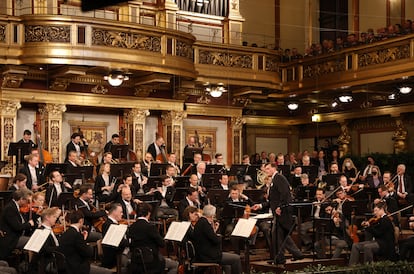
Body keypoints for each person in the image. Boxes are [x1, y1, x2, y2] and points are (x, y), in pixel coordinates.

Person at [264, 163, 303, 265]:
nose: (266, 171)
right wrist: (260, 205)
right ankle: (284, 257)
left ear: (274, 168)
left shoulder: (279, 178)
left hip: (283, 212)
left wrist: (280, 206)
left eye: (268, 169)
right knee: (279, 236)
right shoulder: (274, 179)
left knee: (277, 235)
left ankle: (281, 258)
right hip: (279, 211)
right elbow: (274, 198)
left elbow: (285, 194)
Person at [128, 202, 178, 274]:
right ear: (148, 213)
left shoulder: (131, 227)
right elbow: (162, 244)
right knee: (175, 265)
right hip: (151, 262)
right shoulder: (150, 227)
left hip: (136, 262)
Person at [192, 204, 242, 274]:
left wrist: (213, 231)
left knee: (228, 265)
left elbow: (209, 236)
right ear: (212, 215)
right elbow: (217, 240)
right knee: (236, 258)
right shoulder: (205, 224)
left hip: (202, 254)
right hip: (208, 256)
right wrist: (218, 235)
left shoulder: (200, 222)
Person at [0, 188, 35, 260]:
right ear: (21, 199)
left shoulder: (15, 207)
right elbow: (17, 227)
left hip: (17, 236)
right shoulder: (10, 208)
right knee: (33, 242)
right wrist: (29, 224)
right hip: (11, 239)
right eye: (28, 201)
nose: (29, 203)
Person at [101, 203, 129, 270]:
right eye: (121, 212)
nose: (122, 214)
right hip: (114, 257)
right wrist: (131, 242)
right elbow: (119, 243)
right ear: (114, 212)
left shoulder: (113, 224)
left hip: (119, 252)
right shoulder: (108, 225)